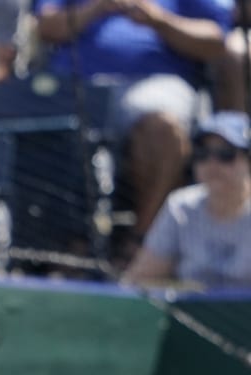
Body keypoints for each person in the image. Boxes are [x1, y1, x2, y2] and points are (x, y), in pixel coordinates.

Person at [34, 0, 232, 235]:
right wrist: (97, 7)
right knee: (38, 131)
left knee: (163, 129)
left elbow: (216, 42)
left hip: (154, 82)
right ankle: (65, 248)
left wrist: (159, 21)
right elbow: (45, 27)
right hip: (75, 85)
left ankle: (143, 245)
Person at [123, 110, 251, 287]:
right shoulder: (181, 207)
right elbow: (140, 281)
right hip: (190, 314)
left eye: (225, 154)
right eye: (203, 153)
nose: (212, 163)